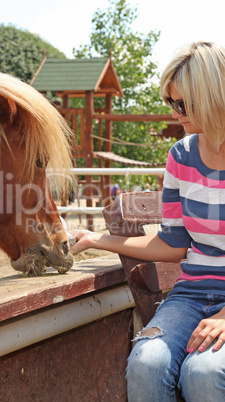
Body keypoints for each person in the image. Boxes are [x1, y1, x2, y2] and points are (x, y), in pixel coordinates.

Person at [70, 41, 225, 401]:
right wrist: (95, 240)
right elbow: (172, 245)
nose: (174, 113)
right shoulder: (181, 157)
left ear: (212, 96)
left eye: (181, 104)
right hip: (191, 295)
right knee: (146, 364)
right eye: (169, 103)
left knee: (203, 373)